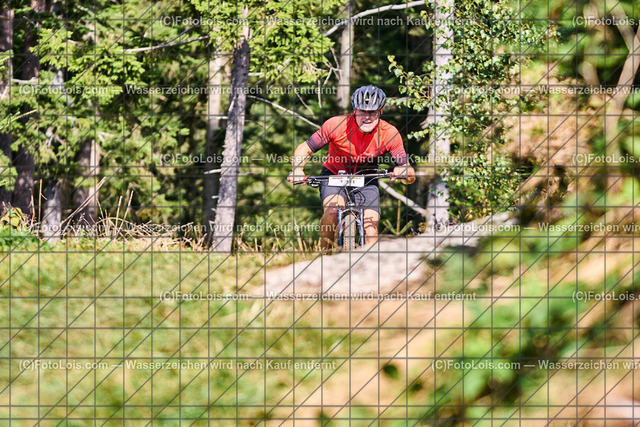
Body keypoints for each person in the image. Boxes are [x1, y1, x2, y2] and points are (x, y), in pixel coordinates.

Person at [288, 85, 416, 249]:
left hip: (367, 178)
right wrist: (297, 169)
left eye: (372, 112)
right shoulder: (336, 124)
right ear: (355, 110)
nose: (367, 117)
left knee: (371, 230)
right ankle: (324, 255)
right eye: (362, 111)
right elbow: (305, 148)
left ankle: (368, 263)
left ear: (380, 112)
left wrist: (404, 172)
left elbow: (408, 172)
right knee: (332, 213)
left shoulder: (389, 133)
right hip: (334, 174)